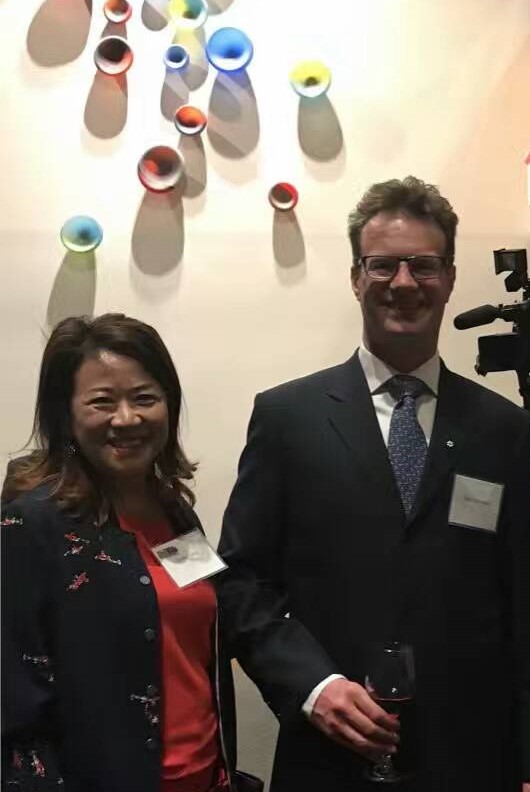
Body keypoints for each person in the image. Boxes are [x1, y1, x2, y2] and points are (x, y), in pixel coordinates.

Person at [217, 177, 530, 792]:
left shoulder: (506, 430)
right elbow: (241, 583)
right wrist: (313, 686)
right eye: (383, 265)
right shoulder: (287, 418)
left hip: (472, 760)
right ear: (356, 278)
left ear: (450, 277)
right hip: (329, 759)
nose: (404, 283)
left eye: (424, 265)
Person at [1, 314, 262, 792]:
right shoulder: (30, 526)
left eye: (144, 398)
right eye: (102, 401)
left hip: (206, 778)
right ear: (66, 414)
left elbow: (203, 645)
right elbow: (15, 707)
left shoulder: (177, 513)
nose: (127, 419)